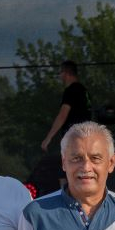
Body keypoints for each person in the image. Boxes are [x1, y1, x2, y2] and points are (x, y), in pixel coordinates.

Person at [32, 61, 92, 196]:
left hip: (74, 138)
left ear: (66, 73)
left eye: (61, 72)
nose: (60, 76)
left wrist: (48, 138)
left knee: (66, 169)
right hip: (85, 138)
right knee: (79, 167)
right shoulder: (84, 91)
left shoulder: (71, 90)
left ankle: (67, 198)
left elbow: (63, 115)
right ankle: (79, 195)